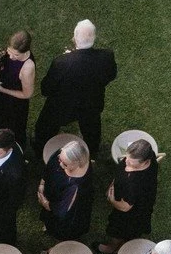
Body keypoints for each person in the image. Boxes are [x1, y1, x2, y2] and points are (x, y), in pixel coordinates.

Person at [35, 20, 117, 155]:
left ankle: (40, 149)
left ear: (74, 38)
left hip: (62, 106)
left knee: (44, 127)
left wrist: (69, 56)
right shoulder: (107, 56)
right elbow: (111, 75)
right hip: (91, 104)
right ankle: (92, 154)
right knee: (92, 131)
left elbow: (46, 89)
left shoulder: (61, 62)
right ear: (94, 37)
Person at [101, 139, 159, 252]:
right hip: (141, 201)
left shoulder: (134, 183)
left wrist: (112, 200)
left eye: (131, 162)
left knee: (119, 231)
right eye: (127, 157)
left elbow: (125, 207)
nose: (126, 162)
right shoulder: (150, 157)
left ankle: (112, 248)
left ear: (145, 162)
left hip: (131, 214)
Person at [0, 36, 36, 147]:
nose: (10, 56)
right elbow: (3, 66)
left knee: (9, 125)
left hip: (14, 103)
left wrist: (2, 90)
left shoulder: (28, 68)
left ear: (26, 51)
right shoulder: (11, 53)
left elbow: (27, 94)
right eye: (9, 52)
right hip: (0, 95)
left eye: (15, 55)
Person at [37, 138, 94, 241]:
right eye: (60, 158)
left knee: (60, 225)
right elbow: (49, 168)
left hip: (64, 206)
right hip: (54, 192)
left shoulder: (74, 186)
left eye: (65, 164)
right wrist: (42, 183)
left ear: (77, 163)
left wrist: (45, 203)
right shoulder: (62, 155)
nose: (60, 164)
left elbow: (61, 209)